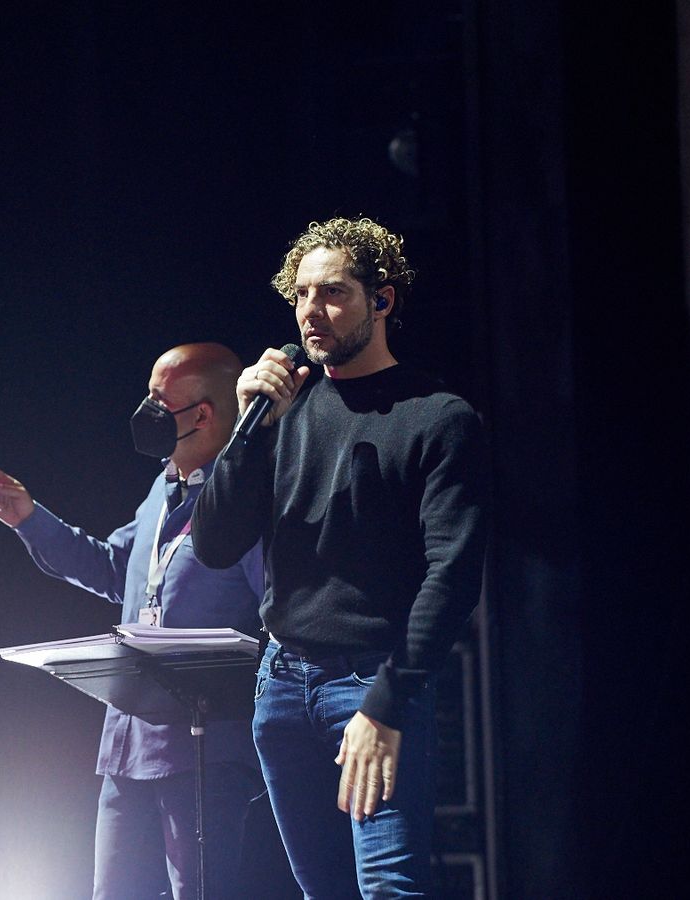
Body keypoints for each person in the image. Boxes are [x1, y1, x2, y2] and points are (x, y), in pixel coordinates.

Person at [192, 217, 491, 898]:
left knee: (389, 888)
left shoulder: (438, 418)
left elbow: (452, 576)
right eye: (299, 295)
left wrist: (386, 706)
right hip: (282, 682)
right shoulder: (286, 410)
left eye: (331, 293)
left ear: (381, 300)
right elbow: (212, 546)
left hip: (372, 681)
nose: (309, 312)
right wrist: (245, 431)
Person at [0, 342, 267, 900]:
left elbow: (276, 616)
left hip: (201, 753)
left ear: (202, 414)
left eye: (160, 399)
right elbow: (114, 568)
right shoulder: (162, 487)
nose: (146, 409)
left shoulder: (243, 500)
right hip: (128, 747)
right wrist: (29, 519)